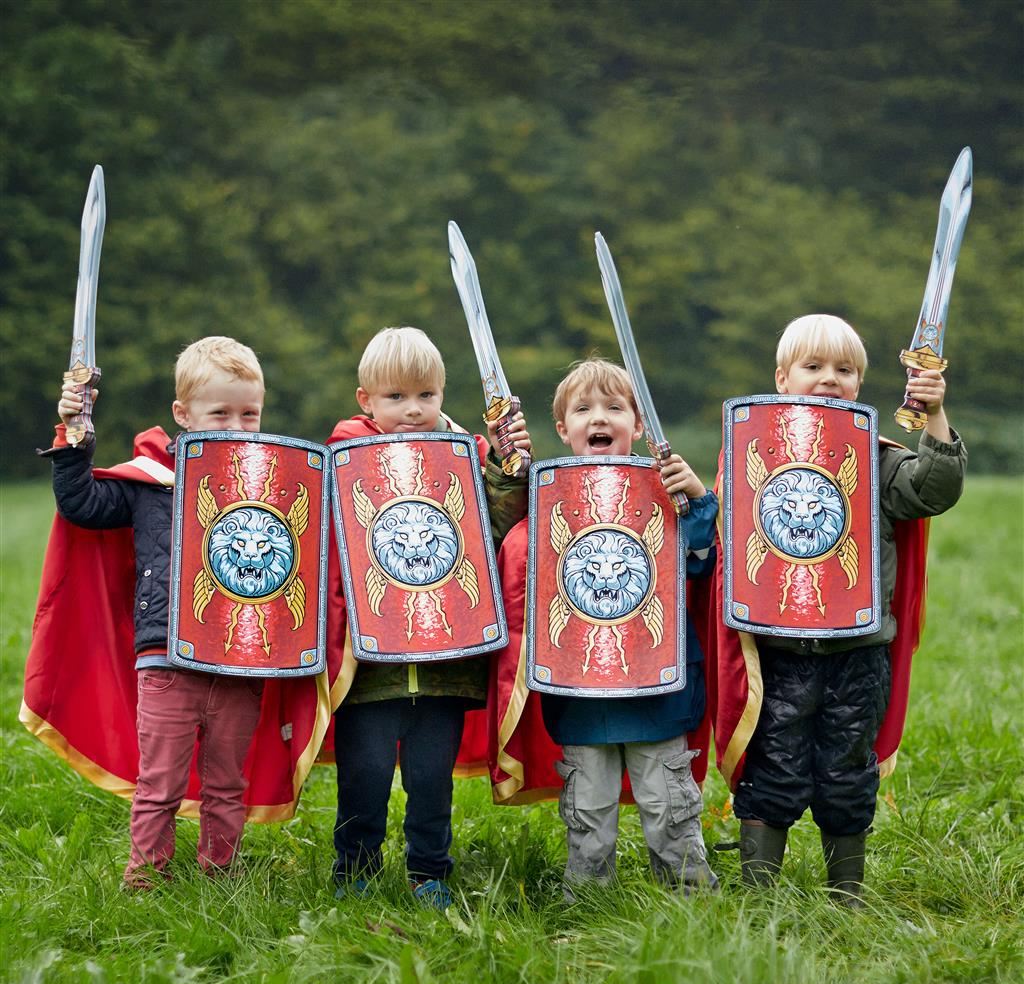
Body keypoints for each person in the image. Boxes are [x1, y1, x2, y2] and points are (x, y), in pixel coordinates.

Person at [24, 336, 330, 888]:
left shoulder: (275, 485)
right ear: (182, 415)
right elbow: (82, 505)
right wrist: (73, 440)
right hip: (165, 655)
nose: (237, 427)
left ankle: (220, 873)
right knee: (159, 779)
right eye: (221, 413)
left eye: (249, 414)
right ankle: (145, 876)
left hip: (241, 656)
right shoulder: (151, 481)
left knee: (226, 781)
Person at [710, 313, 966, 905]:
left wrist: (933, 415)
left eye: (844, 370)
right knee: (773, 766)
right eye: (814, 367)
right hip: (778, 653)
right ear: (782, 378)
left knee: (848, 771)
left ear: (859, 383)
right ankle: (758, 895)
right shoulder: (752, 454)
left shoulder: (877, 460)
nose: (830, 379)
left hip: (857, 653)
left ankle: (846, 898)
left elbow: (934, 488)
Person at [490, 357, 719, 899]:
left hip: (656, 688)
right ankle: (588, 900)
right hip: (581, 693)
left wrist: (697, 501)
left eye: (615, 408)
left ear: (638, 425)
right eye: (585, 409)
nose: (601, 417)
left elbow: (702, 561)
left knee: (668, 804)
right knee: (588, 809)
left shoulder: (664, 493)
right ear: (564, 429)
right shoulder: (549, 500)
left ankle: (691, 898)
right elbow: (523, 567)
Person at [325, 326, 531, 909]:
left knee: (429, 783)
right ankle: (355, 871)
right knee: (362, 779)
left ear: (443, 393)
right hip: (369, 667)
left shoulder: (467, 455)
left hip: (444, 662)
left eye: (426, 395)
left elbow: (492, 531)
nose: (412, 410)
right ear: (366, 400)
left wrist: (509, 471)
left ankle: (430, 872)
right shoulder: (343, 458)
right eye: (395, 397)